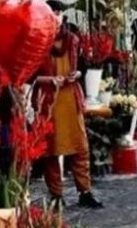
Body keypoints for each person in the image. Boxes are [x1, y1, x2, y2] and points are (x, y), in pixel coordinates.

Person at [33, 16, 102, 209]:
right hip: (48, 101)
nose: (56, 17)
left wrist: (77, 74)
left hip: (71, 98)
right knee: (51, 150)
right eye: (52, 12)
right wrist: (49, 79)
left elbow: (83, 67)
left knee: (80, 147)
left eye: (59, 13)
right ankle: (56, 195)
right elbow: (30, 76)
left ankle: (85, 192)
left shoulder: (73, 40)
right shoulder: (38, 40)